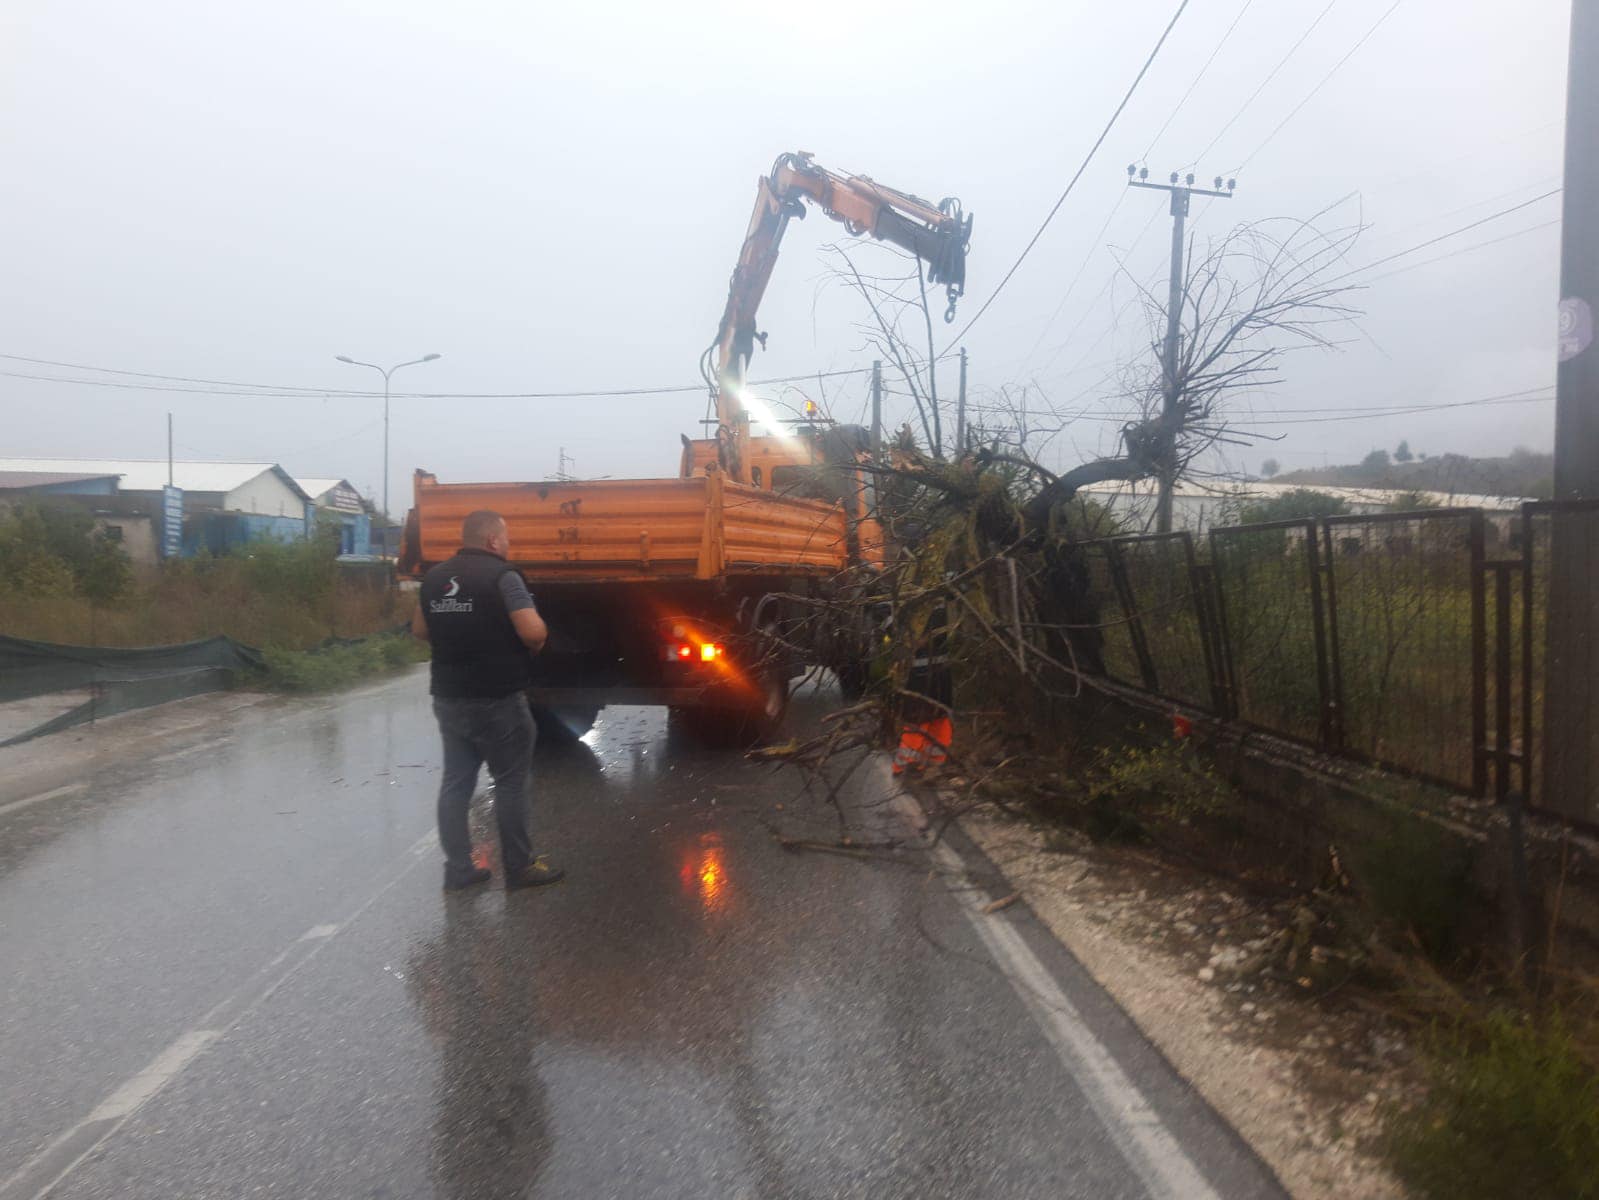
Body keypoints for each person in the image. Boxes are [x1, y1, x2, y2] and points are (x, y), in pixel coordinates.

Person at [411, 509, 565, 891]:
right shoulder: (503, 577)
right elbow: (531, 632)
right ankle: (520, 867)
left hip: (448, 696)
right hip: (498, 698)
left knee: (456, 783)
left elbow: (419, 630)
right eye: (506, 537)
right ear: (493, 540)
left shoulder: (433, 577)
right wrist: (542, 633)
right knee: (511, 782)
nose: (508, 544)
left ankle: (459, 869)